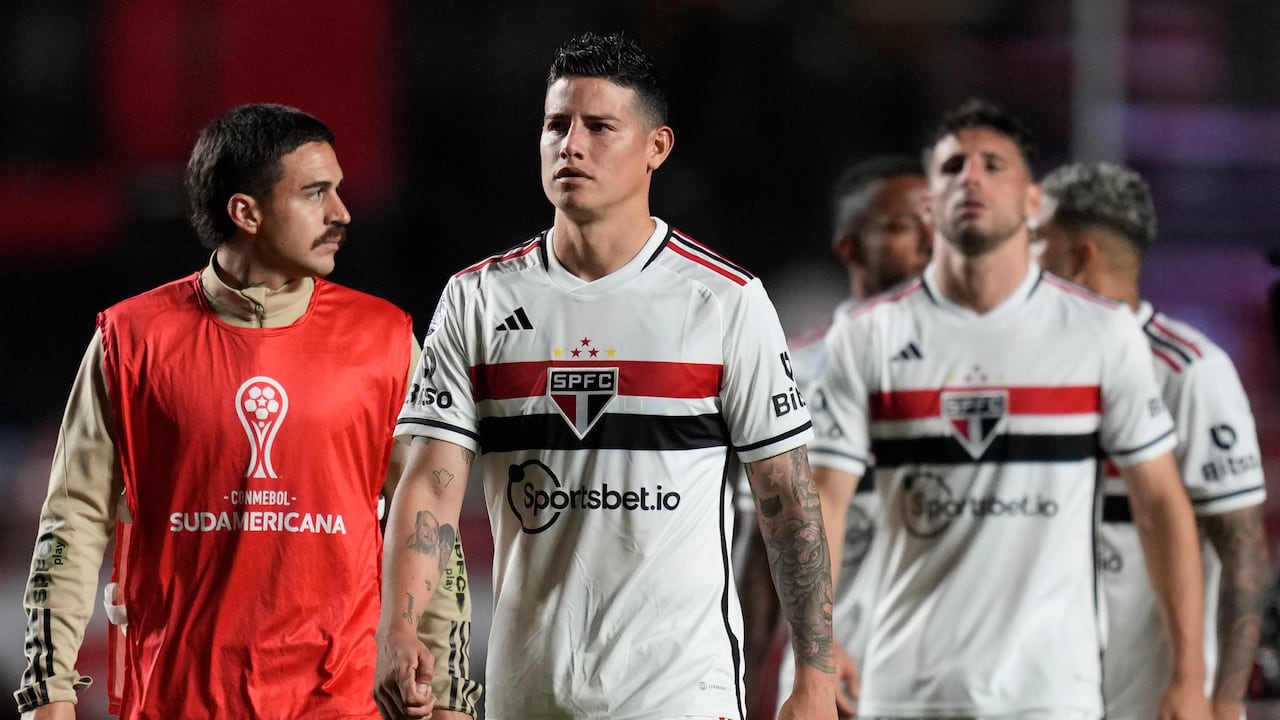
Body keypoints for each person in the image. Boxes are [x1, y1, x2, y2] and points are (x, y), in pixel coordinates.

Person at [375, 32, 837, 720]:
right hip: (528, 695)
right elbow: (429, 487)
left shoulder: (724, 302)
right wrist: (400, 627)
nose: (572, 144)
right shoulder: (478, 300)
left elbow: (788, 504)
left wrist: (815, 678)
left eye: (599, 127)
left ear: (657, 147)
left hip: (681, 693)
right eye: (556, 125)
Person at [14, 103, 479, 719]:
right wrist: (46, 695)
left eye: (338, 191)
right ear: (245, 212)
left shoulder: (385, 341)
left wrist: (450, 695)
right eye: (316, 194)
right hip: (177, 703)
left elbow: (429, 524)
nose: (342, 213)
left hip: (343, 704)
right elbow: (71, 523)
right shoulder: (131, 341)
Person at [806, 98, 1213, 718]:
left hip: (1051, 694)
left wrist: (1189, 675)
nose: (971, 178)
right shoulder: (868, 334)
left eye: (994, 165)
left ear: (1031, 201)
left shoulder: (1098, 333)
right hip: (905, 692)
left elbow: (1160, 501)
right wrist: (818, 651)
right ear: (930, 204)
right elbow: (823, 502)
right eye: (952, 168)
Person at [1037, 161, 1269, 720]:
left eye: (1032, 243)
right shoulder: (1026, 371)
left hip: (1152, 703)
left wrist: (1221, 699)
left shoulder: (1189, 372)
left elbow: (1243, 550)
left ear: (1078, 257)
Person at [737, 155, 931, 719]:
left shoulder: (988, 370)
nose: (926, 245)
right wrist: (749, 685)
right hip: (838, 681)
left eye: (935, 227)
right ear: (849, 245)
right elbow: (761, 545)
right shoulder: (795, 370)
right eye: (899, 227)